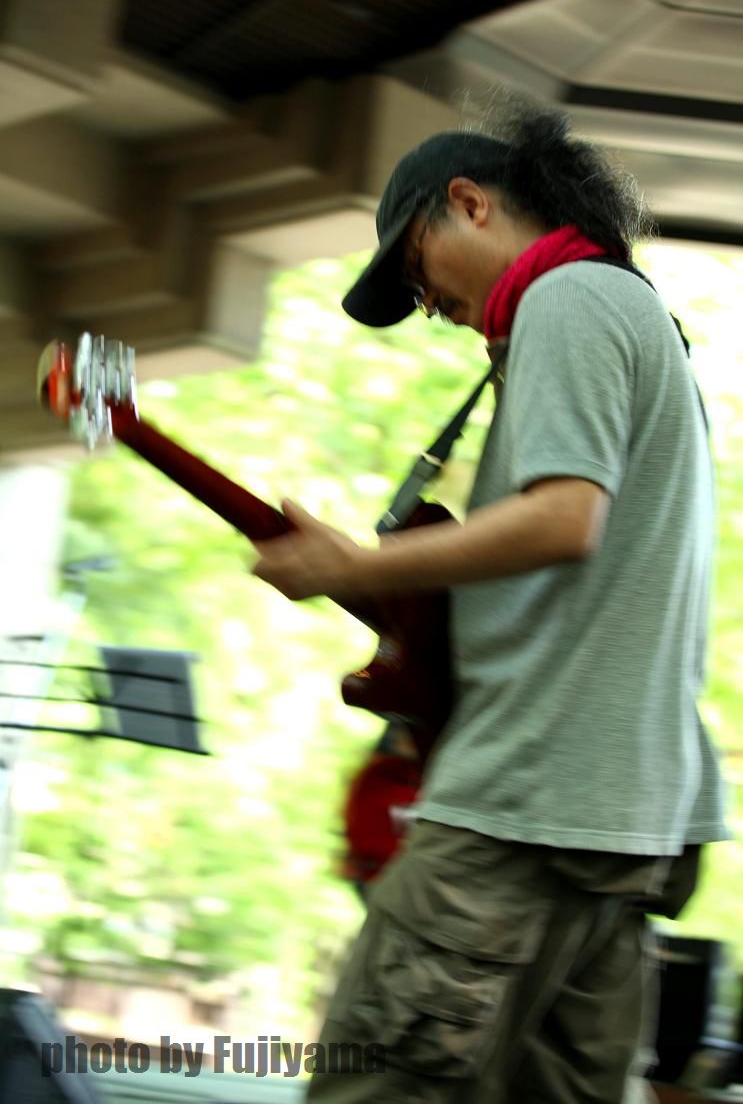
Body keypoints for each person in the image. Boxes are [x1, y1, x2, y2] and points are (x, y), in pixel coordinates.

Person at [251, 95, 728, 1103]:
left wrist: (350, 567)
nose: (424, 302)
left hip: (522, 804)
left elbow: (563, 520)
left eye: (413, 266)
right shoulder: (629, 312)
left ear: (468, 203)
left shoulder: (566, 297)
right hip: (619, 824)